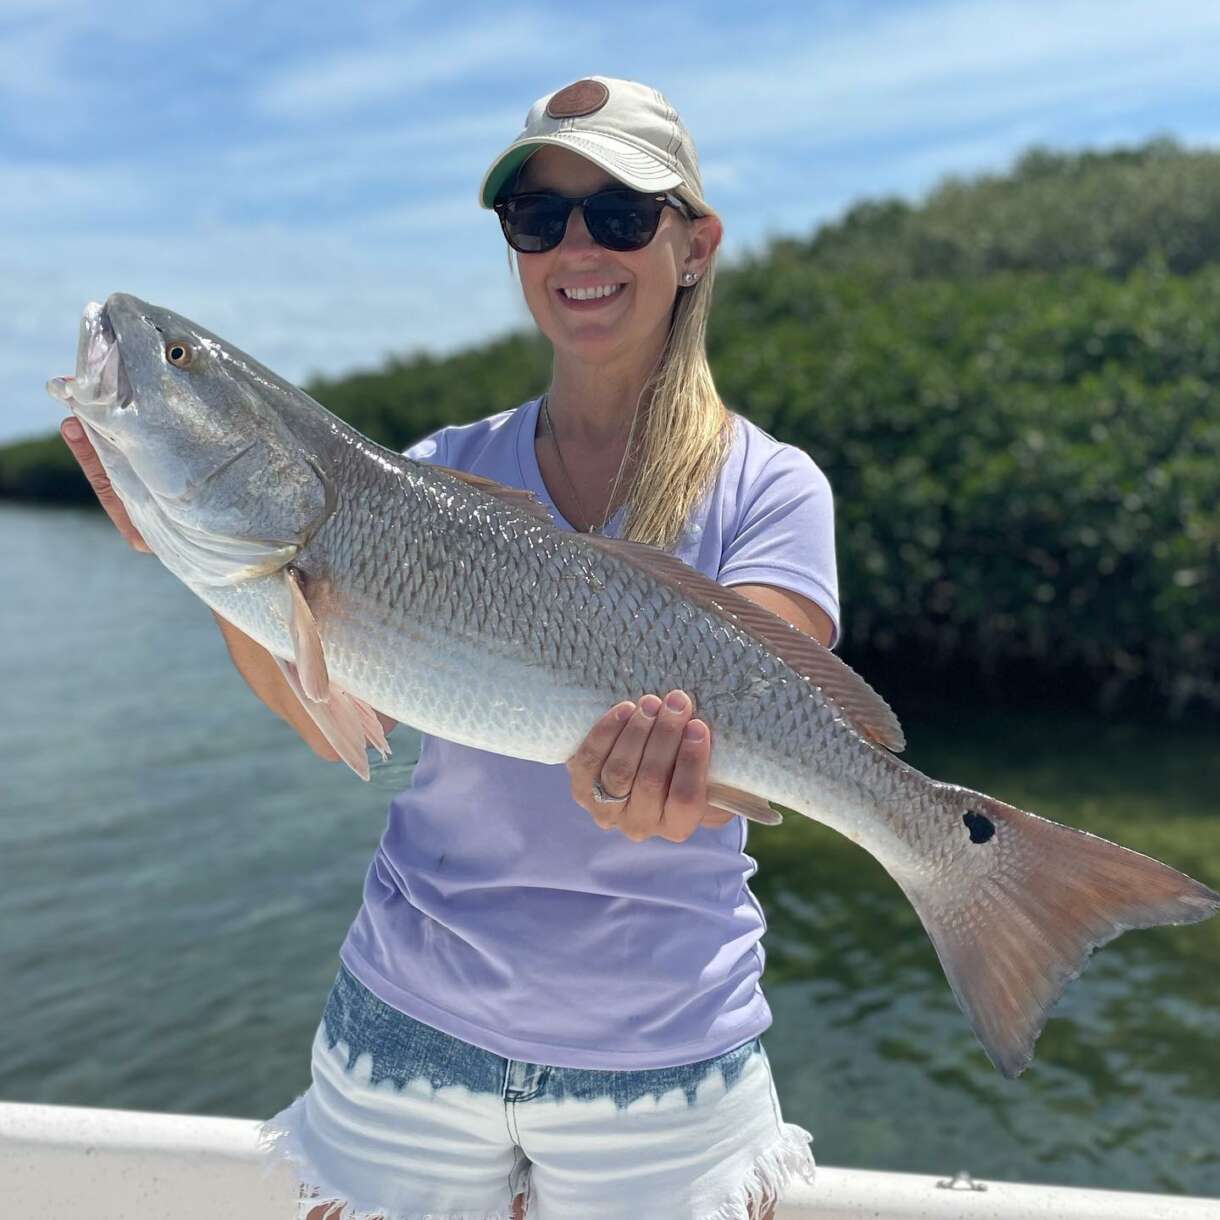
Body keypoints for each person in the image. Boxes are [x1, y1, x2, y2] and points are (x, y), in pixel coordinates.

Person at [62, 75, 839, 1220]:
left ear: (692, 244)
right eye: (538, 217)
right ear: (517, 249)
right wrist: (191, 549)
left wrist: (668, 785)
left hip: (662, 1064)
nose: (578, 242)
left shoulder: (772, 487)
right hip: (401, 1042)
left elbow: (756, 714)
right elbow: (317, 699)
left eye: (620, 212)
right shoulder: (431, 473)